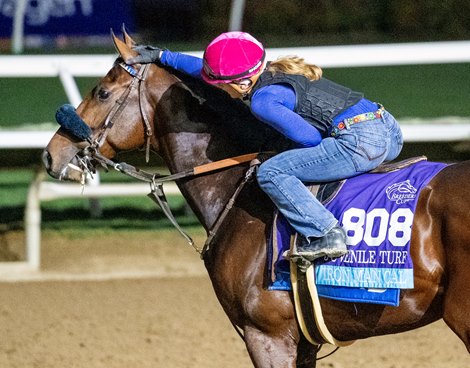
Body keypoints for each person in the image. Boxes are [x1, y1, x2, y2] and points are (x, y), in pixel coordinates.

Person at [128, 32, 404, 262]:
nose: (219, 90)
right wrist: (163, 56)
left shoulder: (263, 102)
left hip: (360, 142)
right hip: (388, 129)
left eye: (221, 86)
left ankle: (326, 233)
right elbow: (203, 71)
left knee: (272, 173)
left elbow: (309, 139)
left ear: (241, 82)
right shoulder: (273, 69)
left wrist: (282, 151)